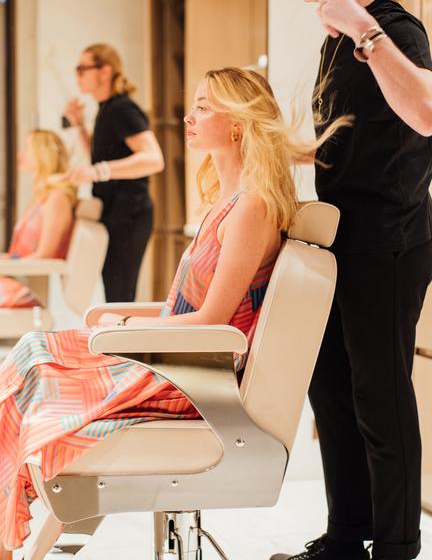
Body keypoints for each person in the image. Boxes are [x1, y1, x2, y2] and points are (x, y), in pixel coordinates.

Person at [0, 67, 347, 557]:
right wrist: (132, 328)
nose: (189, 115)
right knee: (34, 358)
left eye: (204, 106)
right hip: (174, 360)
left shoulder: (252, 208)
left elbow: (213, 323)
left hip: (187, 379)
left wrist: (131, 329)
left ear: (238, 124)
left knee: (36, 356)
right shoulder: (226, 202)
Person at [271, 0, 432, 560]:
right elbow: (346, 143)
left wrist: (366, 30)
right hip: (342, 236)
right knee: (330, 386)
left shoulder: (392, 27)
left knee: (379, 390)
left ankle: (397, 544)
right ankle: (346, 535)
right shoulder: (332, 40)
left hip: (391, 237)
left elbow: (426, 112)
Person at [63, 43, 164, 302]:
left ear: (105, 71)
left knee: (120, 293)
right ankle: (114, 342)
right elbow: (101, 157)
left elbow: (154, 159)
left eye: (82, 69)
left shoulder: (122, 109)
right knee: (113, 291)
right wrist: (79, 126)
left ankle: (121, 343)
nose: (78, 76)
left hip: (129, 214)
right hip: (115, 211)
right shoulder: (106, 109)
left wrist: (99, 171)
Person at [0, 130, 76, 308]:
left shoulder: (57, 198)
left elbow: (44, 255)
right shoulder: (42, 197)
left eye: (27, 148)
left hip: (23, 290)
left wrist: (8, 266)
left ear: (42, 154)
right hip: (16, 278)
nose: (20, 154)